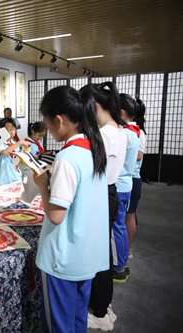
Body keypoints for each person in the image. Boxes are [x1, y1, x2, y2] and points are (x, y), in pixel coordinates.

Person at [34, 86, 109, 333]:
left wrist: (43, 184)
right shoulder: (94, 147)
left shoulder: (67, 157)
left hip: (62, 258)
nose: (48, 131)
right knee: (77, 321)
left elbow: (56, 216)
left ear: (59, 120)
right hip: (86, 254)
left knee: (58, 326)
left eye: (48, 124)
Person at [80, 82, 127, 331]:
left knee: (99, 256)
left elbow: (91, 170)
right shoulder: (118, 130)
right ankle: (103, 306)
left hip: (101, 194)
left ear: (95, 106)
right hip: (109, 192)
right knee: (103, 253)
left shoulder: (105, 134)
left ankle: (99, 311)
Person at [112, 95, 141, 283]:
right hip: (126, 183)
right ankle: (122, 263)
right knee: (120, 225)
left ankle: (118, 266)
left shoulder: (123, 134)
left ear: (121, 112)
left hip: (119, 184)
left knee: (116, 228)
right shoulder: (135, 132)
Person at [120, 94, 146, 262]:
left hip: (131, 179)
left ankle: (127, 248)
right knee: (126, 217)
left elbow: (138, 156)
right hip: (128, 179)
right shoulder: (131, 131)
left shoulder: (136, 133)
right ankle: (124, 248)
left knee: (129, 216)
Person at [0, 117, 30, 186]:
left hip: (16, 176)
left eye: (14, 129)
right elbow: (4, 152)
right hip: (4, 180)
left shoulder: (14, 143)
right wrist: (19, 143)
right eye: (10, 130)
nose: (12, 132)